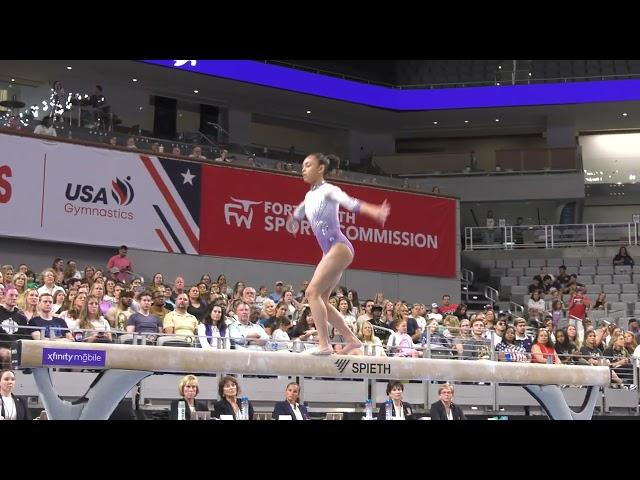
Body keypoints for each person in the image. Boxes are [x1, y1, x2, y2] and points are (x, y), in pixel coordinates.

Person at [286, 153, 389, 356]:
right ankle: (352, 339)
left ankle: (324, 344)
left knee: (311, 293)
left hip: (339, 247)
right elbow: (299, 212)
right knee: (321, 299)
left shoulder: (329, 190)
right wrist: (294, 220)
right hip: (330, 252)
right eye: (302, 166)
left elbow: (351, 203)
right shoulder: (309, 196)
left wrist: (374, 211)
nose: (303, 169)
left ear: (321, 168)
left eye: (308, 165)